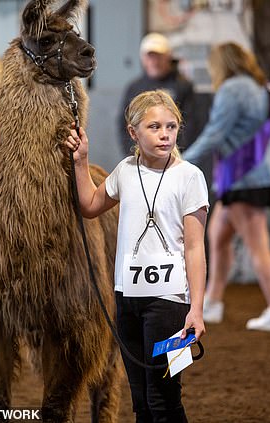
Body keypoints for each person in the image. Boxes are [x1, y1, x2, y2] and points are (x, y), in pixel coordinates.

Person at [65, 90, 208, 423]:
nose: (165, 134)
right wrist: (80, 161)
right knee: (141, 401)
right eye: (154, 127)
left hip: (170, 304)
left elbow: (195, 248)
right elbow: (89, 206)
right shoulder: (125, 171)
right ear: (133, 132)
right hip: (127, 301)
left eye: (171, 127)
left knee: (165, 400)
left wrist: (196, 310)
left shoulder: (190, 178)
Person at [182, 42, 270, 332]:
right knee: (218, 236)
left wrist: (180, 160)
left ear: (221, 65)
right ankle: (213, 302)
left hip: (245, 178)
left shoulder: (232, 89)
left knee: (258, 245)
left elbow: (214, 134)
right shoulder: (266, 89)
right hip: (257, 175)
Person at [118, 33, 196, 157]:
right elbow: (123, 124)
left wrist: (176, 154)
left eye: (159, 56)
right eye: (150, 57)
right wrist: (132, 154)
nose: (154, 61)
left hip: (174, 156)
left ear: (168, 57)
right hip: (140, 157)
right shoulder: (134, 88)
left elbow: (191, 124)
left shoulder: (182, 86)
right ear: (143, 59)